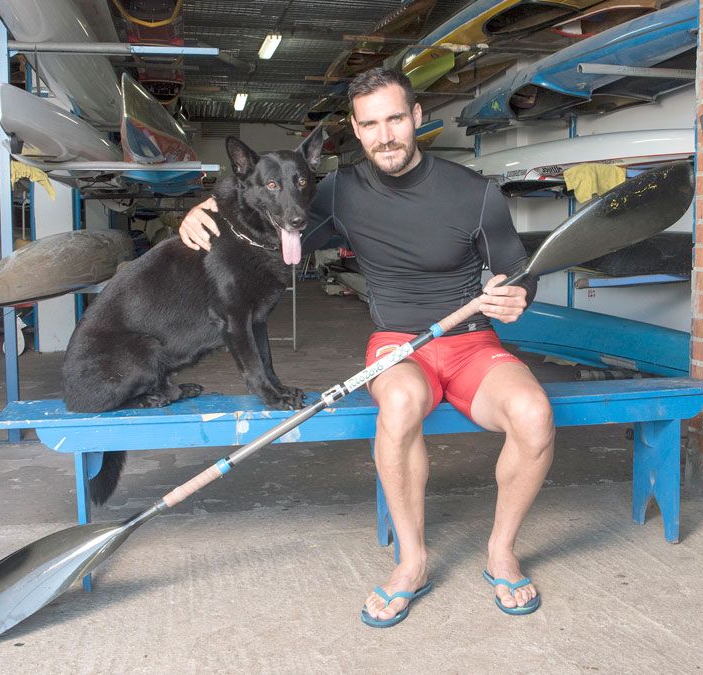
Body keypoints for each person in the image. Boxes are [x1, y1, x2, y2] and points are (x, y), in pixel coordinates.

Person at [179, 67, 555, 627]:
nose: (386, 135)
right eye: (371, 124)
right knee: (400, 406)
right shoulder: (337, 192)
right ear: (356, 130)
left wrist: (517, 293)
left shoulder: (474, 193)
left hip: (471, 341)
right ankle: (412, 562)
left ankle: (502, 550)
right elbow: (260, 208)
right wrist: (201, 211)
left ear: (417, 118)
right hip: (399, 345)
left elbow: (518, 271)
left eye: (396, 119)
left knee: (535, 414)